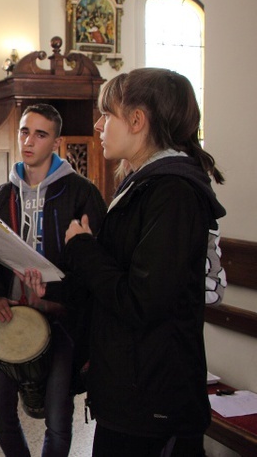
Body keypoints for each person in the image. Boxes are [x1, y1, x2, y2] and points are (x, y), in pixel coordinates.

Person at [64, 68, 226, 456]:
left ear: (137, 121)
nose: (98, 125)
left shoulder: (173, 192)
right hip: (133, 393)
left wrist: (84, 249)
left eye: (108, 114)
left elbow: (142, 300)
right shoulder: (145, 183)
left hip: (153, 399)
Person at [0, 104, 106, 456]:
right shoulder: (1, 196)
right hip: (12, 317)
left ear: (56, 141)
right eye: (24, 131)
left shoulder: (82, 193)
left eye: (40, 134)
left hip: (62, 319)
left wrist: (55, 299)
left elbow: (95, 264)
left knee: (57, 416)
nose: (29, 140)